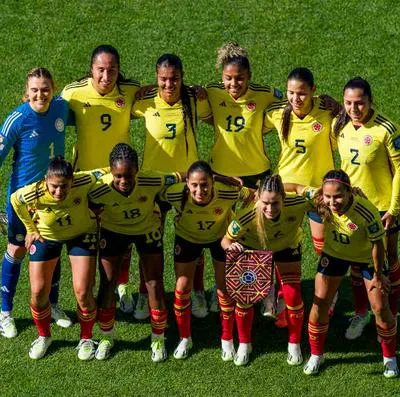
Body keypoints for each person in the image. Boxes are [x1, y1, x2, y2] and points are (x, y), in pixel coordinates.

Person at [286, 169, 398, 378]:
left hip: (366, 259)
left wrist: (377, 274)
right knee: (320, 303)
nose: (331, 202)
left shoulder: (366, 211)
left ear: (349, 193)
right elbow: (295, 187)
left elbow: (377, 244)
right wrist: (266, 194)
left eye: (337, 196)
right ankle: (316, 355)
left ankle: (389, 358)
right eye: (327, 196)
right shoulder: (320, 198)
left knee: (381, 308)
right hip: (334, 254)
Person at [132, 53, 213, 319]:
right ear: (156, 78)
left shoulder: (194, 100)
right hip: (153, 186)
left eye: (175, 79)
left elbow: (219, 109)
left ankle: (197, 291)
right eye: (163, 79)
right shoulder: (143, 100)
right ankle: (145, 294)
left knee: (193, 238)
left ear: (183, 77)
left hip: (185, 186)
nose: (169, 85)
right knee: (149, 243)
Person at [62, 44, 141, 315]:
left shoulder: (130, 91)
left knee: (122, 233)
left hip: (119, 180)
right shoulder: (72, 93)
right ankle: (88, 288)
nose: (106, 77)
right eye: (101, 70)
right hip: (85, 181)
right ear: (91, 69)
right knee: (88, 235)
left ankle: (122, 286)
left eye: (112, 70)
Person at [206, 41, 283, 314]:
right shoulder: (212, 93)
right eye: (228, 78)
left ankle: (266, 291)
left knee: (259, 232)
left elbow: (294, 98)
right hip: (222, 176)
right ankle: (224, 289)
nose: (233, 83)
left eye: (239, 78)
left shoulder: (264, 94)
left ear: (249, 76)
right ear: (221, 78)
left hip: (256, 175)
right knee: (224, 232)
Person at [88, 143, 183, 362]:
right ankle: (106, 337)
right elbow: (91, 204)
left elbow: (184, 176)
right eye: (118, 176)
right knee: (108, 282)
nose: (123, 181)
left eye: (128, 175)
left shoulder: (153, 179)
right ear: (111, 172)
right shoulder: (99, 188)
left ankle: (158, 338)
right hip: (113, 232)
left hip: (147, 231)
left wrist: (222, 179)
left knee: (154, 283)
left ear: (137, 169)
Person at [263, 67, 339, 323]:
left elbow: (349, 124)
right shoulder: (277, 113)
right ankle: (279, 298)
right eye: (291, 93)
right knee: (281, 247)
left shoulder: (327, 112)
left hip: (319, 194)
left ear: (313, 91)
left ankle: (328, 295)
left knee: (323, 248)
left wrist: (339, 107)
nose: (296, 99)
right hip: (287, 193)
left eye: (302, 93)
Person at [0, 67, 71, 339]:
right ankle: (4, 312)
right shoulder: (16, 120)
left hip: (55, 196)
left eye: (45, 89)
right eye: (34, 90)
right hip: (23, 199)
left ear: (53, 89)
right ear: (25, 93)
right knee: (17, 249)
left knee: (54, 245)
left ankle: (52, 305)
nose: (40, 94)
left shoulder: (61, 108)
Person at [11, 157, 103, 360]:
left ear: (72, 180)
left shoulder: (84, 179)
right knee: (37, 292)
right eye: (54, 187)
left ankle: (86, 338)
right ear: (46, 181)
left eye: (64, 186)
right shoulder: (34, 191)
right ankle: (44, 336)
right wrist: (30, 229)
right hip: (46, 237)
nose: (59, 192)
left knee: (82, 292)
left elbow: (107, 171)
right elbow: (15, 200)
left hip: (81, 235)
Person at [159, 161, 249, 360]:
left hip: (220, 239)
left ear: (213, 183)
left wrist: (241, 223)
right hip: (187, 238)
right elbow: (155, 194)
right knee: (182, 288)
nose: (200, 190)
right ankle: (185, 338)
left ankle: (227, 339)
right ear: (187, 184)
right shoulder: (175, 193)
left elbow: (252, 196)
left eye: (205, 184)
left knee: (224, 288)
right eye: (194, 185)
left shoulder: (227, 193)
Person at [221, 174, 312, 366]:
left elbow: (328, 201)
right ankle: (245, 344)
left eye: (275, 203)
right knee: (244, 298)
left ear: (283, 199)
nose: (270, 209)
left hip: (286, 248)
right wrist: (230, 246)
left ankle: (294, 344)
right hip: (253, 251)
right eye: (265, 203)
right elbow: (225, 240)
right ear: (257, 198)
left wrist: (352, 193)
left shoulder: (297, 203)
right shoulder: (247, 216)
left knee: (293, 297)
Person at [334, 77, 400, 339]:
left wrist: (393, 210)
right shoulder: (339, 124)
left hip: (383, 210)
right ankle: (361, 312)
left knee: (389, 259)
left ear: (370, 100)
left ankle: (392, 312)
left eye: (359, 103)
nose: (353, 108)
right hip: (351, 210)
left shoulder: (386, 129)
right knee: (355, 262)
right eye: (348, 103)